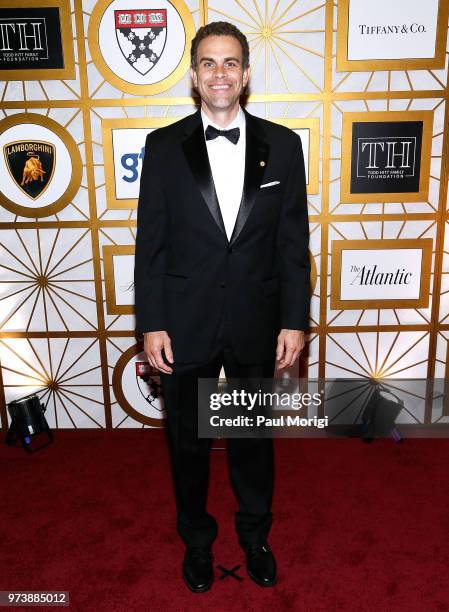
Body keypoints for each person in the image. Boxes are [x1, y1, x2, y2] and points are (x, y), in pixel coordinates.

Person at [134, 21, 310, 592]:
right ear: (192, 74)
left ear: (247, 73)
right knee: (188, 446)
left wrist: (292, 319)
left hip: (257, 322)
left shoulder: (283, 145)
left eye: (230, 62)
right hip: (185, 324)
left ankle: (255, 535)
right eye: (208, 63)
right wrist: (153, 323)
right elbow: (151, 244)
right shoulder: (163, 148)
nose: (219, 74)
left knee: (252, 442)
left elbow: (291, 243)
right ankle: (198, 542)